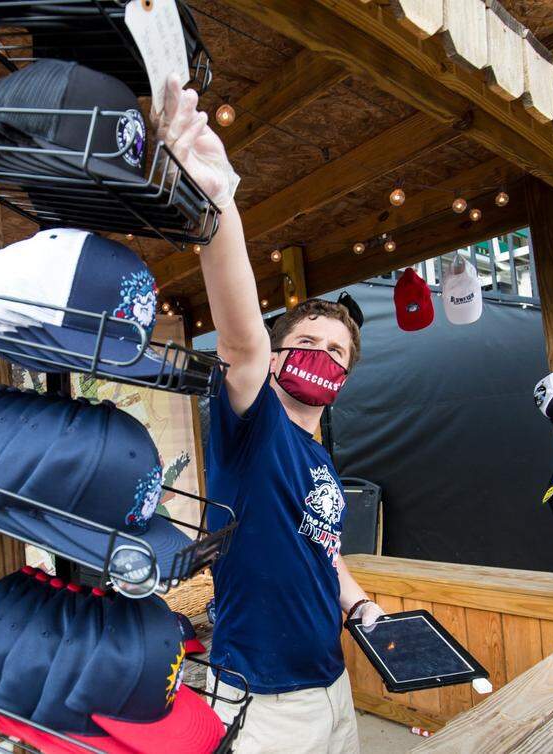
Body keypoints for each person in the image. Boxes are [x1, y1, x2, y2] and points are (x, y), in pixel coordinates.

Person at [153, 76, 382, 752]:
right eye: (307, 344)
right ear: (280, 359)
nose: (323, 357)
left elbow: (324, 549)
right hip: (264, 699)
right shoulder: (252, 424)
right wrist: (219, 204)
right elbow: (241, 337)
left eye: (337, 351)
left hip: (332, 683)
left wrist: (360, 605)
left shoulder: (317, 457)